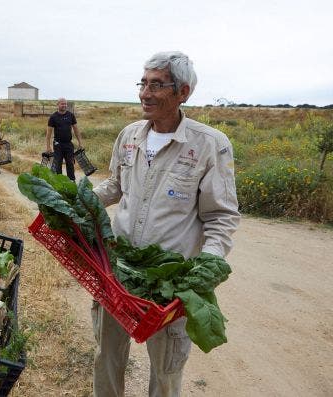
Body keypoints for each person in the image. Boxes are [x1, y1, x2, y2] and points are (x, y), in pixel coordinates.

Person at [92, 51, 240, 397]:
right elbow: (115, 185)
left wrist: (207, 264)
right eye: (142, 83)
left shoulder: (209, 145)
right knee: (107, 357)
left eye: (156, 85)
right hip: (119, 271)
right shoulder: (129, 135)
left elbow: (221, 216)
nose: (145, 92)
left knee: (166, 370)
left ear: (183, 92)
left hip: (168, 284)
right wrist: (79, 200)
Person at [46, 97, 83, 180]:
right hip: (57, 144)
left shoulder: (71, 115)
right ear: (58, 104)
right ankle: (59, 182)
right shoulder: (53, 117)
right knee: (58, 165)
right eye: (62, 103)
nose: (64, 105)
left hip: (68, 144)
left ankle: (71, 182)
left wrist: (80, 142)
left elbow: (76, 130)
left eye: (65, 104)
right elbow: (48, 134)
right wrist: (48, 146)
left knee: (70, 164)